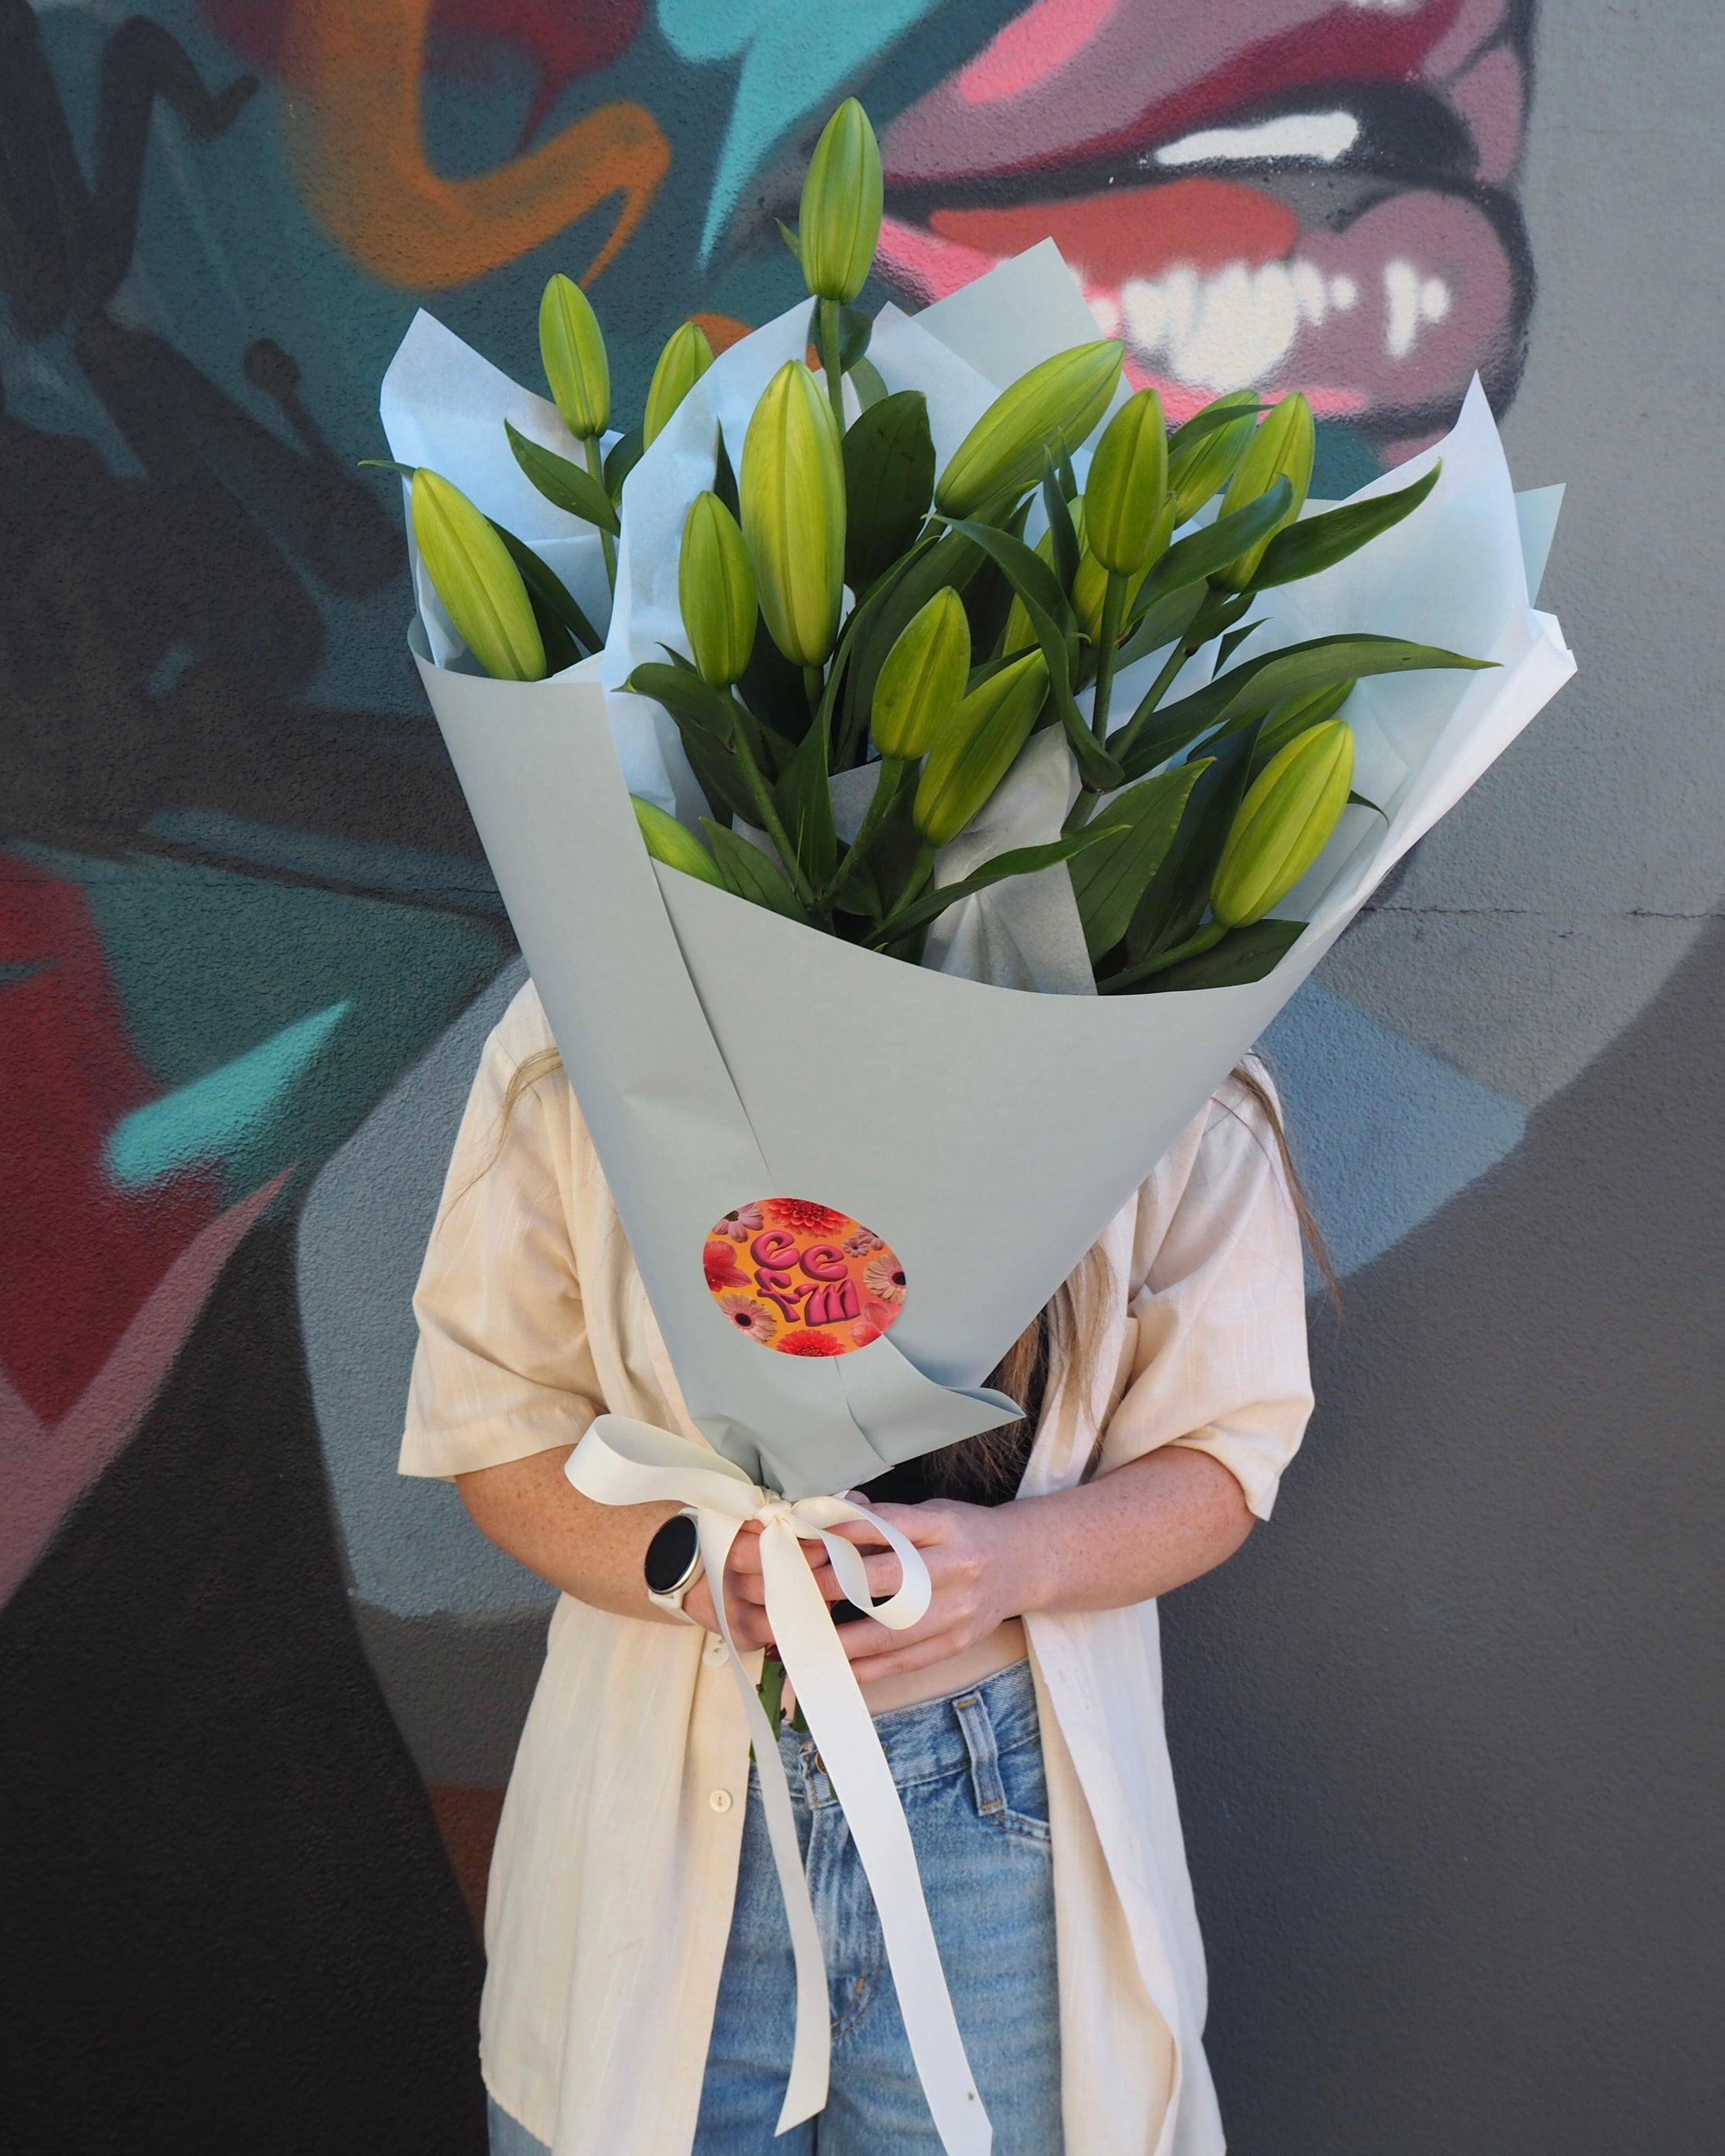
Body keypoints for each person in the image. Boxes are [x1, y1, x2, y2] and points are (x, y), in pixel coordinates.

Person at [401, 978, 1316, 2156]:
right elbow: (494, 1423)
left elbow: (1227, 1447)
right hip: (656, 1810)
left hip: (1001, 1822)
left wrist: (1016, 1562)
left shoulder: (1159, 1037)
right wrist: (690, 1567)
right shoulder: (594, 1002)